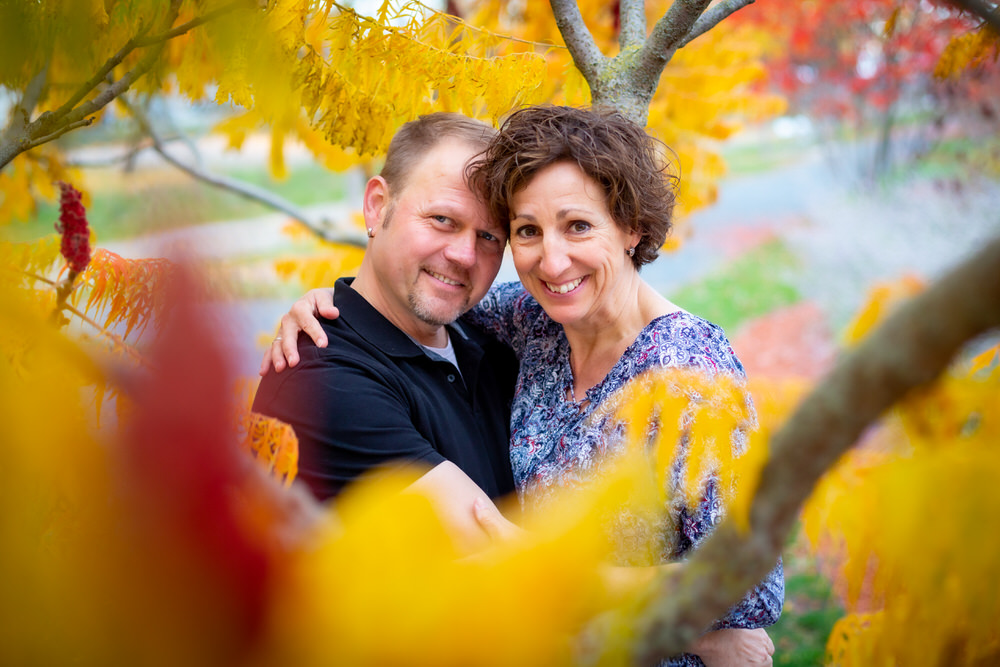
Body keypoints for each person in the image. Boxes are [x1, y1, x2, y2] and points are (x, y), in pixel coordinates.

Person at [262, 106, 780, 666]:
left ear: (631, 227)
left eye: (490, 235)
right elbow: (506, 567)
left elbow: (752, 582)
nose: (551, 261)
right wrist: (698, 634)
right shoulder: (520, 328)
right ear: (376, 206)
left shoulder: (673, 364)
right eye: (526, 231)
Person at [252, 113, 519, 555]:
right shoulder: (320, 380)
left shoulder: (490, 342)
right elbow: (501, 555)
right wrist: (672, 586)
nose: (465, 255)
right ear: (377, 205)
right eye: (442, 220)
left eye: (490, 236)